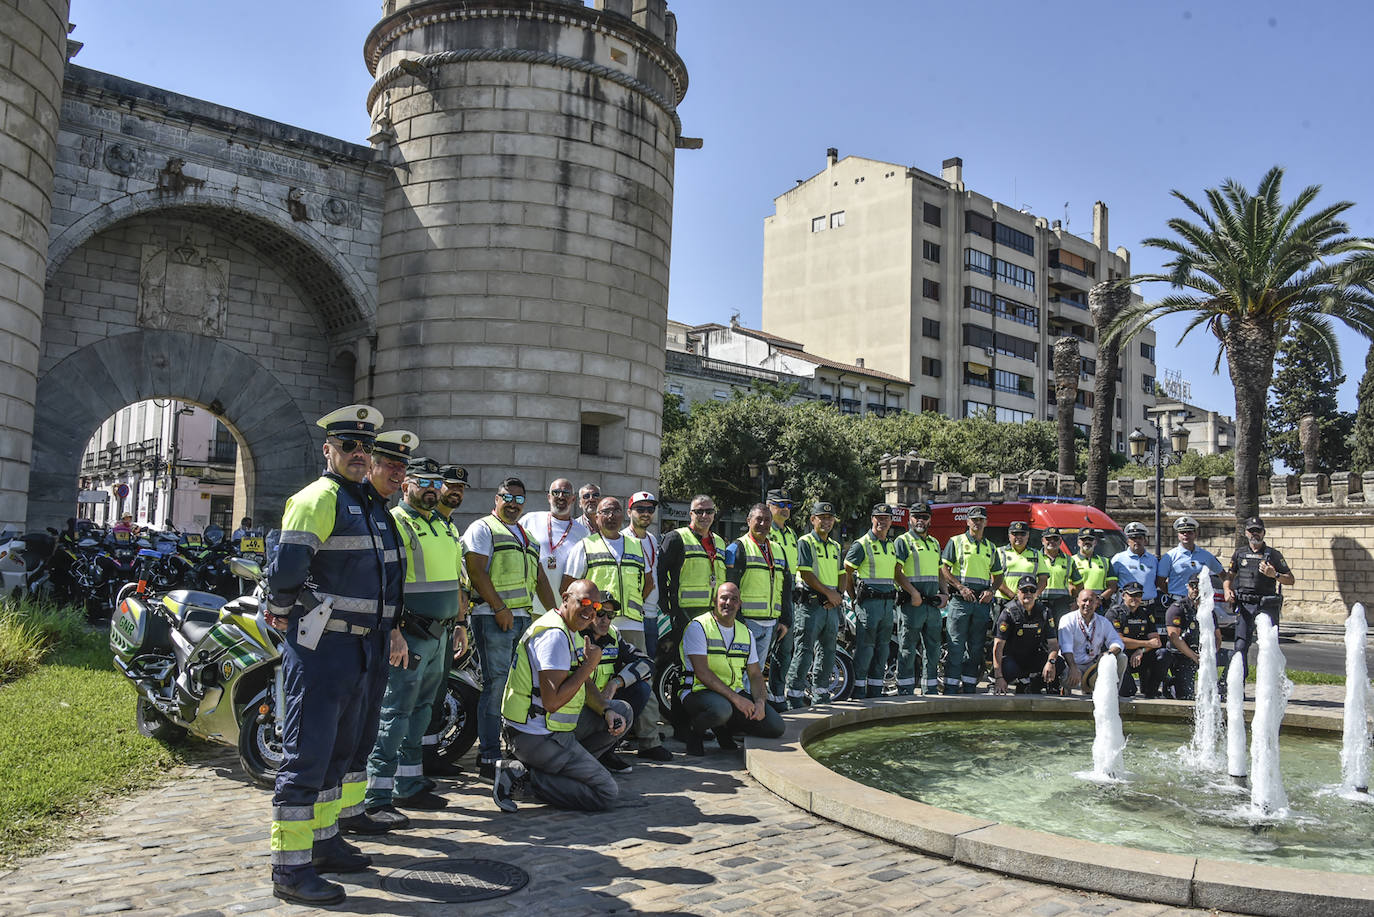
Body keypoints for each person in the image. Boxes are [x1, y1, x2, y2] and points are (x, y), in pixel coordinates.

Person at [263, 405, 407, 906]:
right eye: (349, 446)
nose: (359, 454)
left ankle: (323, 843)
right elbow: (285, 572)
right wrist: (283, 611)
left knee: (342, 753)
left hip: (364, 647)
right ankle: (289, 868)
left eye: (365, 448)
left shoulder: (367, 504)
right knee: (308, 756)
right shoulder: (317, 499)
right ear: (328, 450)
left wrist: (389, 632)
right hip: (324, 647)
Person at [363, 457, 468, 822]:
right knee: (395, 713)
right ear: (406, 483)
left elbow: (456, 581)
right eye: (422, 480)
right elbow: (383, 580)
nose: (430, 488)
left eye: (435, 482)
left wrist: (460, 623)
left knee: (424, 712)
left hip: (440, 633)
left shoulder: (445, 526)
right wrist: (393, 630)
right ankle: (376, 795)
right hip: (409, 634)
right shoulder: (395, 522)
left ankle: (408, 785)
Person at [494, 579, 631, 812]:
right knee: (606, 793)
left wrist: (606, 710)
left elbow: (582, 682)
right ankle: (526, 777)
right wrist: (589, 665)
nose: (590, 611)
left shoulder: (572, 630)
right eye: (584, 602)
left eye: (595, 607)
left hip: (553, 728)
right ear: (565, 598)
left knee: (621, 711)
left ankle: (565, 772)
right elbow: (552, 702)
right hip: (536, 735)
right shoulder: (555, 636)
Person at [337, 429, 413, 835]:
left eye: (403, 466)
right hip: (338, 643)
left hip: (374, 642)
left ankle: (351, 815)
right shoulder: (345, 504)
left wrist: (393, 632)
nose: (397, 473)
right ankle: (320, 834)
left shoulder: (379, 511)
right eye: (389, 464)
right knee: (333, 741)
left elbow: (387, 584)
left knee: (359, 738)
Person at [562, 497, 670, 762]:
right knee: (590, 674)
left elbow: (647, 582)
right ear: (596, 517)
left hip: (630, 623)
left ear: (623, 515)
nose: (611, 516)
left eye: (616, 511)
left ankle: (648, 740)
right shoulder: (585, 546)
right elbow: (568, 585)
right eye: (605, 512)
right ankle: (603, 739)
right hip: (594, 625)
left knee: (642, 678)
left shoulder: (636, 545)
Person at [463, 478, 558, 779]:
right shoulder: (483, 528)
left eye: (519, 499)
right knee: (496, 685)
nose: (514, 504)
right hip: (492, 617)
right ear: (497, 498)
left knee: (515, 687)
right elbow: (476, 572)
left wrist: (555, 613)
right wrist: (499, 608)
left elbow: (541, 578)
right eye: (508, 497)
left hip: (522, 619)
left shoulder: (527, 536)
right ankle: (488, 755)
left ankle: (510, 748)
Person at [677, 581, 785, 756]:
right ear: (715, 600)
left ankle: (724, 728)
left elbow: (756, 675)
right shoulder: (698, 627)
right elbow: (702, 673)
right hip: (698, 691)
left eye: (734, 599)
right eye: (724, 598)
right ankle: (694, 730)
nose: (728, 603)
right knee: (722, 710)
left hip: (730, 694)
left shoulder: (745, 632)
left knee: (775, 727)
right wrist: (738, 700)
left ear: (740, 604)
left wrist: (759, 703)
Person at [576, 595, 654, 772]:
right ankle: (579, 756)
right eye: (601, 613)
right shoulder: (573, 635)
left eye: (611, 615)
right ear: (590, 612)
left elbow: (646, 663)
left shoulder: (613, 634)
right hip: (576, 707)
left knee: (640, 689)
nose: (605, 620)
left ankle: (607, 751)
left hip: (605, 704)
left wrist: (615, 683)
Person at [725, 504, 792, 708]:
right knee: (739, 673)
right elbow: (729, 588)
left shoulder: (778, 550)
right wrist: (737, 621)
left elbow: (786, 588)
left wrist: (785, 620)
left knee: (756, 672)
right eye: (758, 519)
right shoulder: (737, 548)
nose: (763, 524)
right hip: (747, 624)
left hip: (770, 623)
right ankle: (738, 715)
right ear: (748, 521)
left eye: (767, 520)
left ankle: (751, 713)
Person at [844, 503, 912, 698]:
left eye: (886, 518)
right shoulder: (861, 544)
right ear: (872, 519)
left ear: (891, 521)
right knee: (865, 650)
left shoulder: (891, 546)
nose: (882, 521)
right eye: (878, 518)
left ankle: (874, 691)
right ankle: (858, 691)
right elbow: (846, 573)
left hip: (886, 604)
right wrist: (853, 597)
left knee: (883, 650)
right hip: (868, 604)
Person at [939, 505, 1004, 694]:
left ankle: (969, 687)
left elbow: (998, 576)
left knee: (976, 647)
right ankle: (951, 687)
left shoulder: (990, 547)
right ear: (967, 522)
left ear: (986, 522)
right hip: (960, 600)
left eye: (981, 519)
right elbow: (944, 569)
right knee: (956, 644)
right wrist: (960, 587)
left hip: (981, 603)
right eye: (974, 519)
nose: (977, 522)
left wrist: (991, 590)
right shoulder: (956, 541)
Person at [1223, 517, 1294, 682]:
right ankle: (1238, 684)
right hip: (1246, 605)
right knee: (1240, 646)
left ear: (1264, 532)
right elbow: (1229, 576)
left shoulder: (1273, 555)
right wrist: (1227, 590)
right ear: (1246, 533)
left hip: (1266, 605)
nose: (1255, 534)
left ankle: (1270, 684)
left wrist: (1274, 574)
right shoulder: (1240, 554)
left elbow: (1290, 579)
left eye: (1258, 530)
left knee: (1269, 647)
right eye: (1251, 530)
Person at [787, 501, 844, 706]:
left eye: (830, 518)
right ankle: (794, 696)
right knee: (804, 651)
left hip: (830, 606)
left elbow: (841, 574)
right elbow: (806, 573)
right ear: (813, 520)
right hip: (810, 605)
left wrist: (838, 594)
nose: (827, 521)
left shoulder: (836, 546)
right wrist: (830, 593)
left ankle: (821, 695)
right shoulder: (805, 542)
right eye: (822, 518)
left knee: (828, 652)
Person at [657, 494, 727, 657]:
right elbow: (660, 572)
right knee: (683, 657)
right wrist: (665, 603)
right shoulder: (676, 538)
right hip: (684, 612)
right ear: (691, 514)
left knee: (708, 656)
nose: (704, 516)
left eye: (709, 511)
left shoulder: (720, 542)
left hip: (713, 611)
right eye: (699, 511)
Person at [893, 501, 945, 696]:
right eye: (916, 516)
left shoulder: (934, 543)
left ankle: (929, 689)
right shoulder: (903, 541)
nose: (920, 520)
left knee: (933, 649)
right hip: (911, 604)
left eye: (924, 517)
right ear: (910, 519)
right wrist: (913, 592)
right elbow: (896, 572)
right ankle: (905, 690)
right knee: (907, 649)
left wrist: (945, 593)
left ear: (930, 519)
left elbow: (940, 572)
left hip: (932, 606)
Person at [521, 478, 589, 614]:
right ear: (548, 497)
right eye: (556, 492)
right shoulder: (530, 520)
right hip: (528, 607)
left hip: (563, 611)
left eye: (566, 493)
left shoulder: (583, 532)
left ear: (573, 499)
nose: (560, 496)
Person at [991, 575, 1065, 695]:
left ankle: (1032, 685)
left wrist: (1050, 663)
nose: (1028, 593)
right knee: (1009, 669)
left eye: (1032, 590)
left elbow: (1053, 644)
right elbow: (998, 647)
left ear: (1037, 593)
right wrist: (999, 677)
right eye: (1024, 590)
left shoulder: (1044, 612)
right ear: (1018, 592)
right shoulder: (1008, 612)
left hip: (1033, 655)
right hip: (1011, 658)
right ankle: (998, 682)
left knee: (1059, 663)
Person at [764, 489, 799, 707]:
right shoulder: (764, 530)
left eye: (788, 505)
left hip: (788, 597)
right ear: (769, 506)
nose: (785, 509)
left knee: (785, 650)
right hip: (768, 596)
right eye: (780, 504)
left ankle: (777, 695)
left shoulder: (791, 534)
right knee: (762, 651)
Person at [1106, 581, 1167, 698]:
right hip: (1121, 658)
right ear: (1123, 595)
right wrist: (1146, 643)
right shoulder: (1114, 613)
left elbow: (1156, 641)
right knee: (1128, 691)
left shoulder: (1146, 613)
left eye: (1138, 595)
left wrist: (1141, 650)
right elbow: (1120, 642)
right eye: (1132, 595)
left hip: (1140, 656)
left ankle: (1150, 690)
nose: (1135, 598)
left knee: (1163, 654)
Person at [1163, 576, 1220, 700]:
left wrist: (1211, 654)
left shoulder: (1208, 610)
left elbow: (1218, 637)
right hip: (1183, 655)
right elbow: (1174, 638)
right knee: (1186, 696)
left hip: (1203, 654)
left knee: (1233, 657)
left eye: (1199, 586)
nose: (1195, 589)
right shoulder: (1178, 608)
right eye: (1192, 586)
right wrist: (1194, 656)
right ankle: (1171, 683)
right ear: (1187, 587)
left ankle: (1222, 689)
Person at [1057, 589, 1124, 695]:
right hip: (1072, 665)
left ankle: (1112, 695)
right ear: (1077, 601)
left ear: (1096, 603)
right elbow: (1066, 648)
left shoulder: (1103, 622)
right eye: (1084, 600)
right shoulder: (1067, 619)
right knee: (1066, 675)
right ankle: (1066, 689)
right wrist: (1073, 668)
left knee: (1121, 657)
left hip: (1093, 666)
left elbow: (1117, 642)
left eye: (1091, 601)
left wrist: (1108, 653)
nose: (1087, 604)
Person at [1157, 515, 1224, 605]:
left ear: (1195, 534)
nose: (1186, 534)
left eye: (1189, 532)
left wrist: (1227, 590)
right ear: (1178, 535)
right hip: (1177, 602)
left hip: (1200, 603)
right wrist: (1173, 593)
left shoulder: (1206, 555)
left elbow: (1223, 575)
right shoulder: (1169, 556)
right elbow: (1160, 582)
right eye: (1182, 532)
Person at [1038, 527, 1081, 623]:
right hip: (1040, 601)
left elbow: (1079, 584)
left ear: (1060, 541)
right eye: (1048, 539)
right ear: (1042, 540)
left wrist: (1075, 601)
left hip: (1061, 603)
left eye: (1055, 538)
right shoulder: (1035, 557)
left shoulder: (1069, 560)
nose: (1052, 541)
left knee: (1061, 631)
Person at [996, 520, 1046, 601]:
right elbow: (995, 578)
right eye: (1015, 534)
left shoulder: (1036, 554)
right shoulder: (999, 552)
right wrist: (1013, 596)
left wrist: (1033, 596)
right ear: (1009, 536)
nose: (1019, 537)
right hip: (1004, 600)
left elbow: (1043, 579)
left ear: (1028, 535)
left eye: (1022, 534)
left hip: (1028, 602)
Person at [1070, 529, 1117, 600]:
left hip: (1099, 603)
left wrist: (1100, 599)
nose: (1087, 542)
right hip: (1078, 602)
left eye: (1090, 539)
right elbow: (1069, 585)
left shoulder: (1105, 561)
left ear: (1095, 542)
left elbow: (1112, 586)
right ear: (1078, 542)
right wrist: (1079, 600)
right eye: (1084, 539)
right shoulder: (1070, 561)